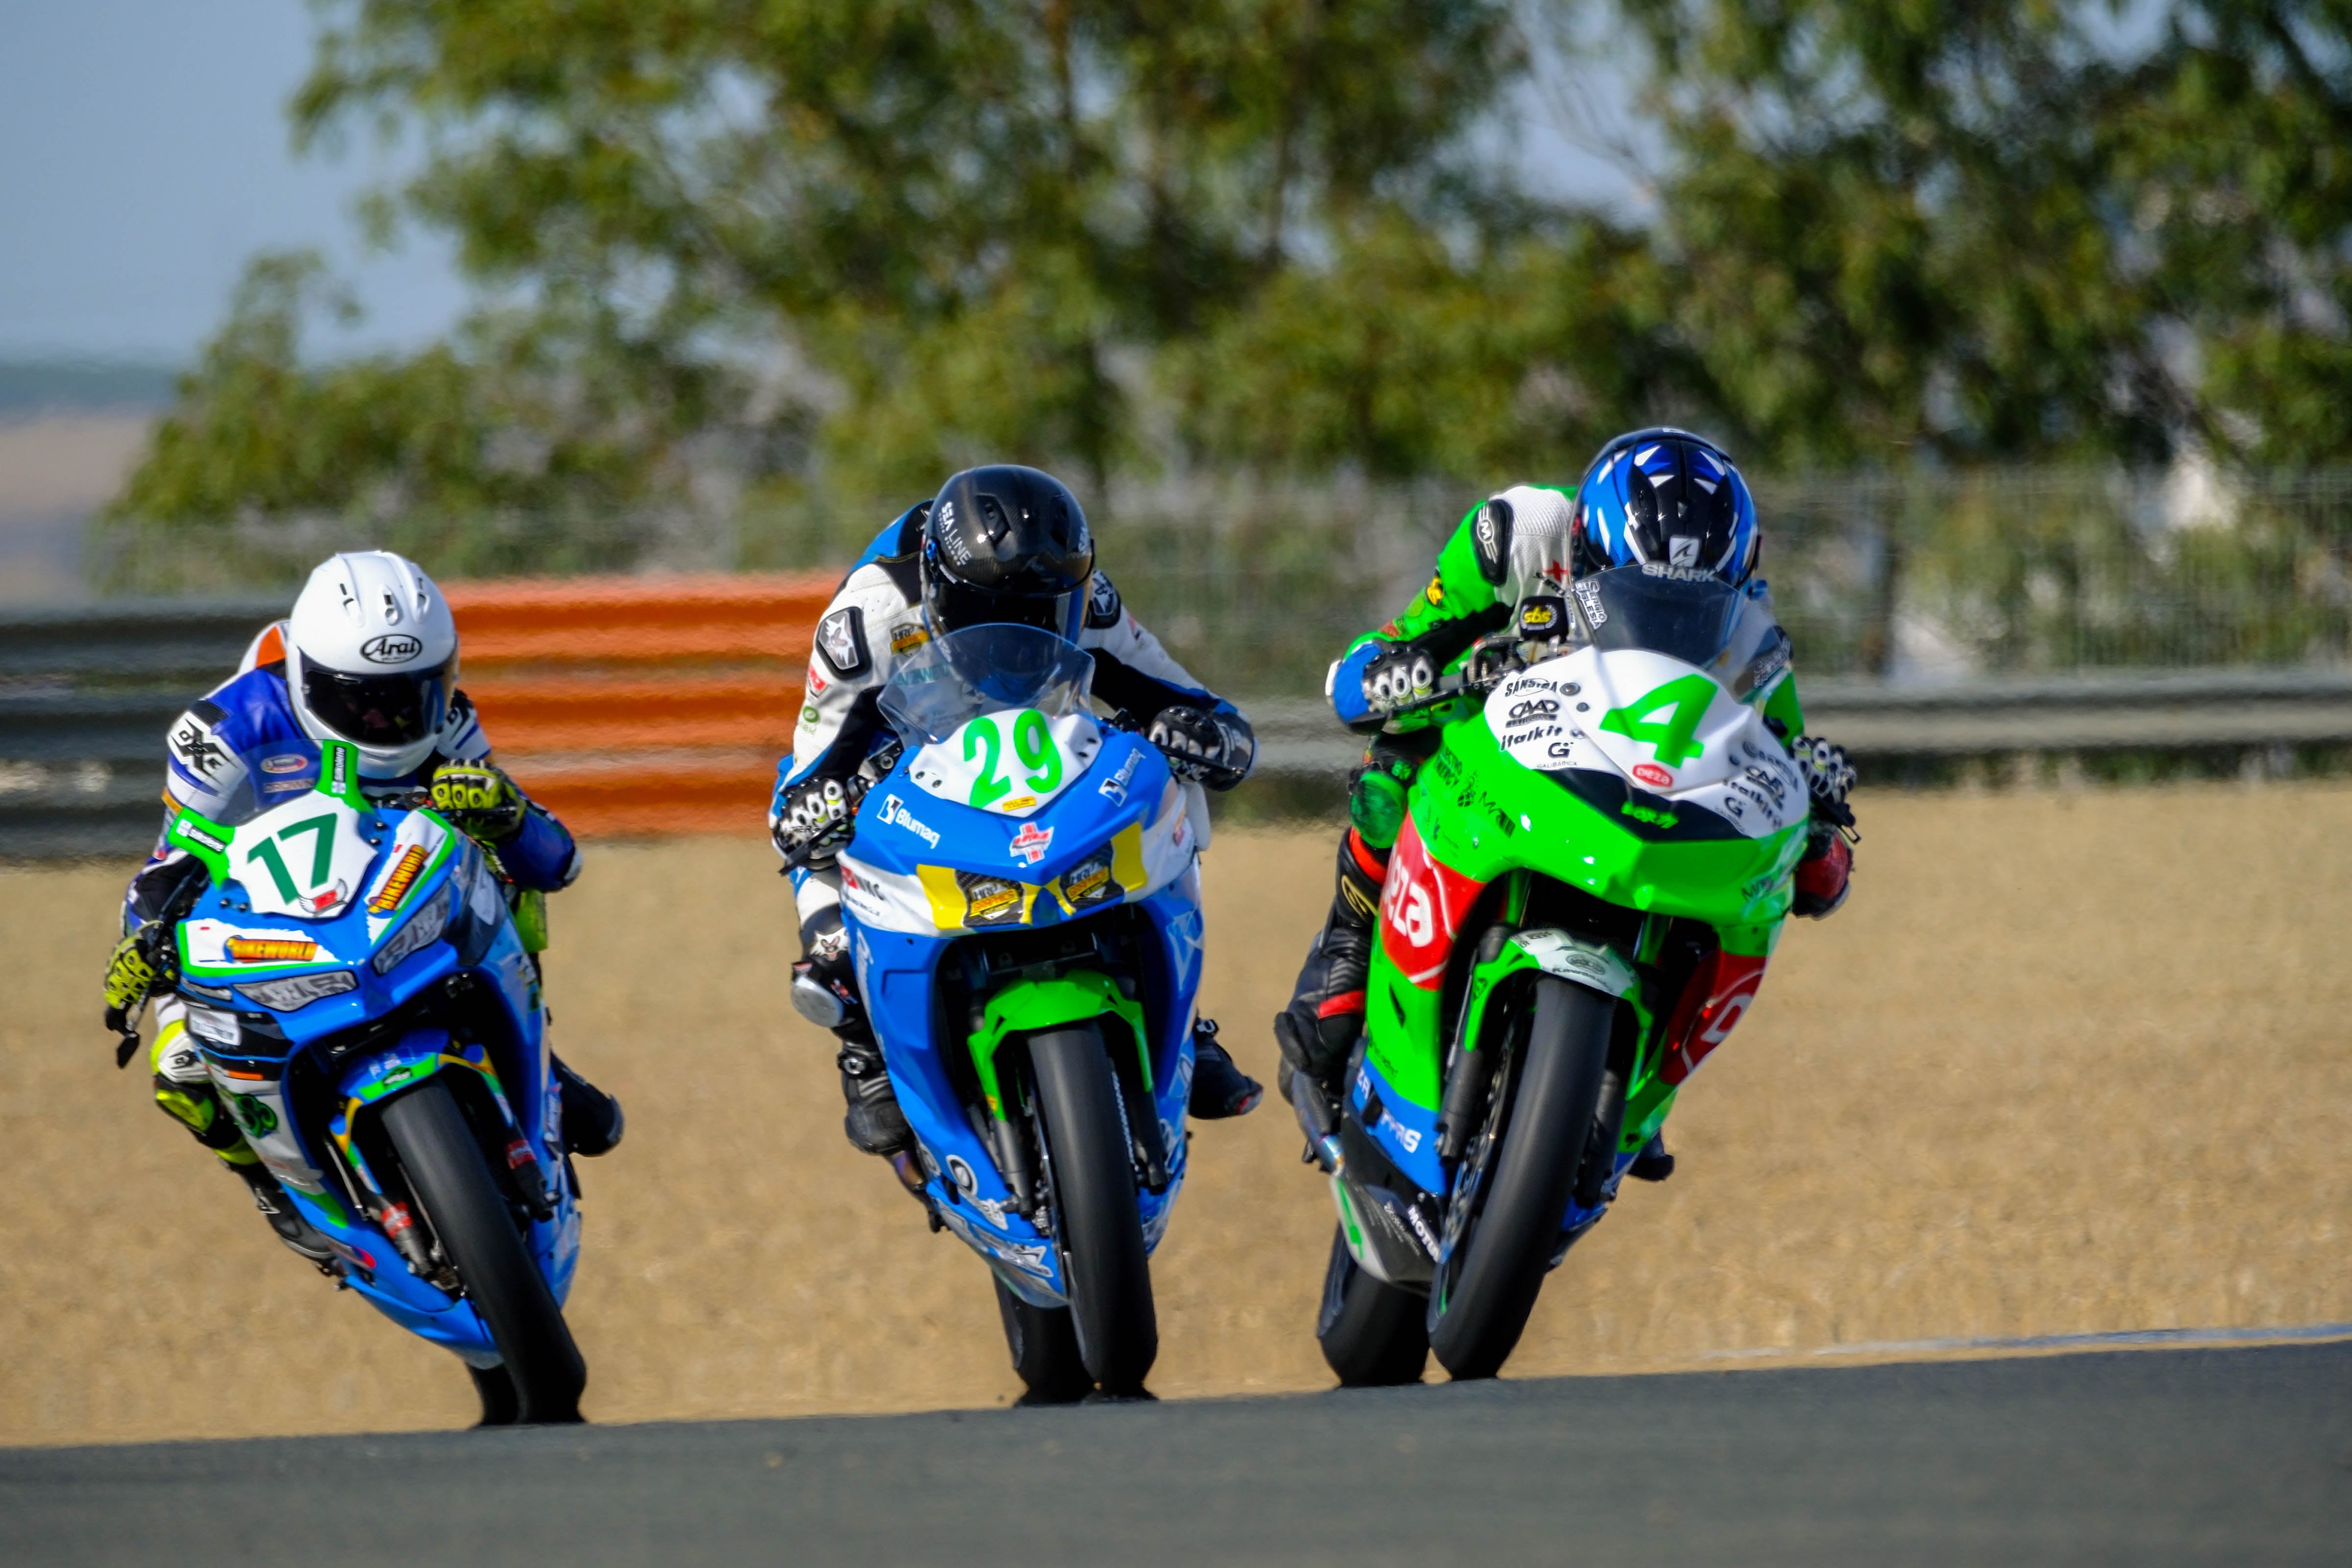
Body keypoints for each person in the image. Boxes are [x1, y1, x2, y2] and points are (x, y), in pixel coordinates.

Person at [1274, 429, 1857, 1175]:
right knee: (1394, 764)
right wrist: (1398, 672)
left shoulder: (1756, 639)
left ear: (1739, 581)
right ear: (1584, 549)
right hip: (1508, 750)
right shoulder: (1516, 537)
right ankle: (1348, 955)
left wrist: (1818, 832)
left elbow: (1787, 777)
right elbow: (1376, 659)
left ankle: (1642, 1072)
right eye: (1649, 599)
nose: (1678, 624)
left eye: (1698, 609)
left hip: (1642, 802)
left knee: (1735, 881)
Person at [99, 550, 624, 1268]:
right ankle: (270, 1183)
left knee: (501, 877)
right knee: (181, 1068)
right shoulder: (224, 732)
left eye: (411, 695)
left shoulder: (452, 722)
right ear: (308, 679)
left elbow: (558, 860)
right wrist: (144, 946)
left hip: (398, 890)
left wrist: (504, 816)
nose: (388, 717)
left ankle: (541, 1063)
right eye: (362, 699)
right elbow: (168, 865)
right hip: (268, 917)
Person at [770, 464, 1264, 1157]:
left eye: (1041, 613)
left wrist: (1209, 736)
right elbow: (809, 775)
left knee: (1165, 780)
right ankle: (865, 1052)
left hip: (1037, 742)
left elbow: (1193, 703)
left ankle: (1184, 1022)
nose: (1019, 632)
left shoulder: (1088, 598)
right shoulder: (870, 619)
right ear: (941, 591)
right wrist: (818, 807)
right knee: (818, 860)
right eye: (990, 614)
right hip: (900, 749)